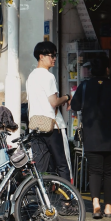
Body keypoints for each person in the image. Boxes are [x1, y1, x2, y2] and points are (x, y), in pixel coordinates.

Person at [71, 55, 111, 219]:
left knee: (95, 171)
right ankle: (108, 208)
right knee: (110, 172)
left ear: (91, 70)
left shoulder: (84, 87)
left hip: (91, 137)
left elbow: (74, 106)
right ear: (107, 69)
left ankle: (96, 204)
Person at [26, 41, 72, 181]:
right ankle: (68, 200)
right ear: (41, 56)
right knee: (62, 164)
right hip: (52, 127)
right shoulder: (48, 76)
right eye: (51, 55)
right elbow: (54, 102)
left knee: (40, 166)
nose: (54, 59)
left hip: (36, 126)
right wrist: (67, 97)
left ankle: (40, 197)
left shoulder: (31, 77)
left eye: (55, 55)